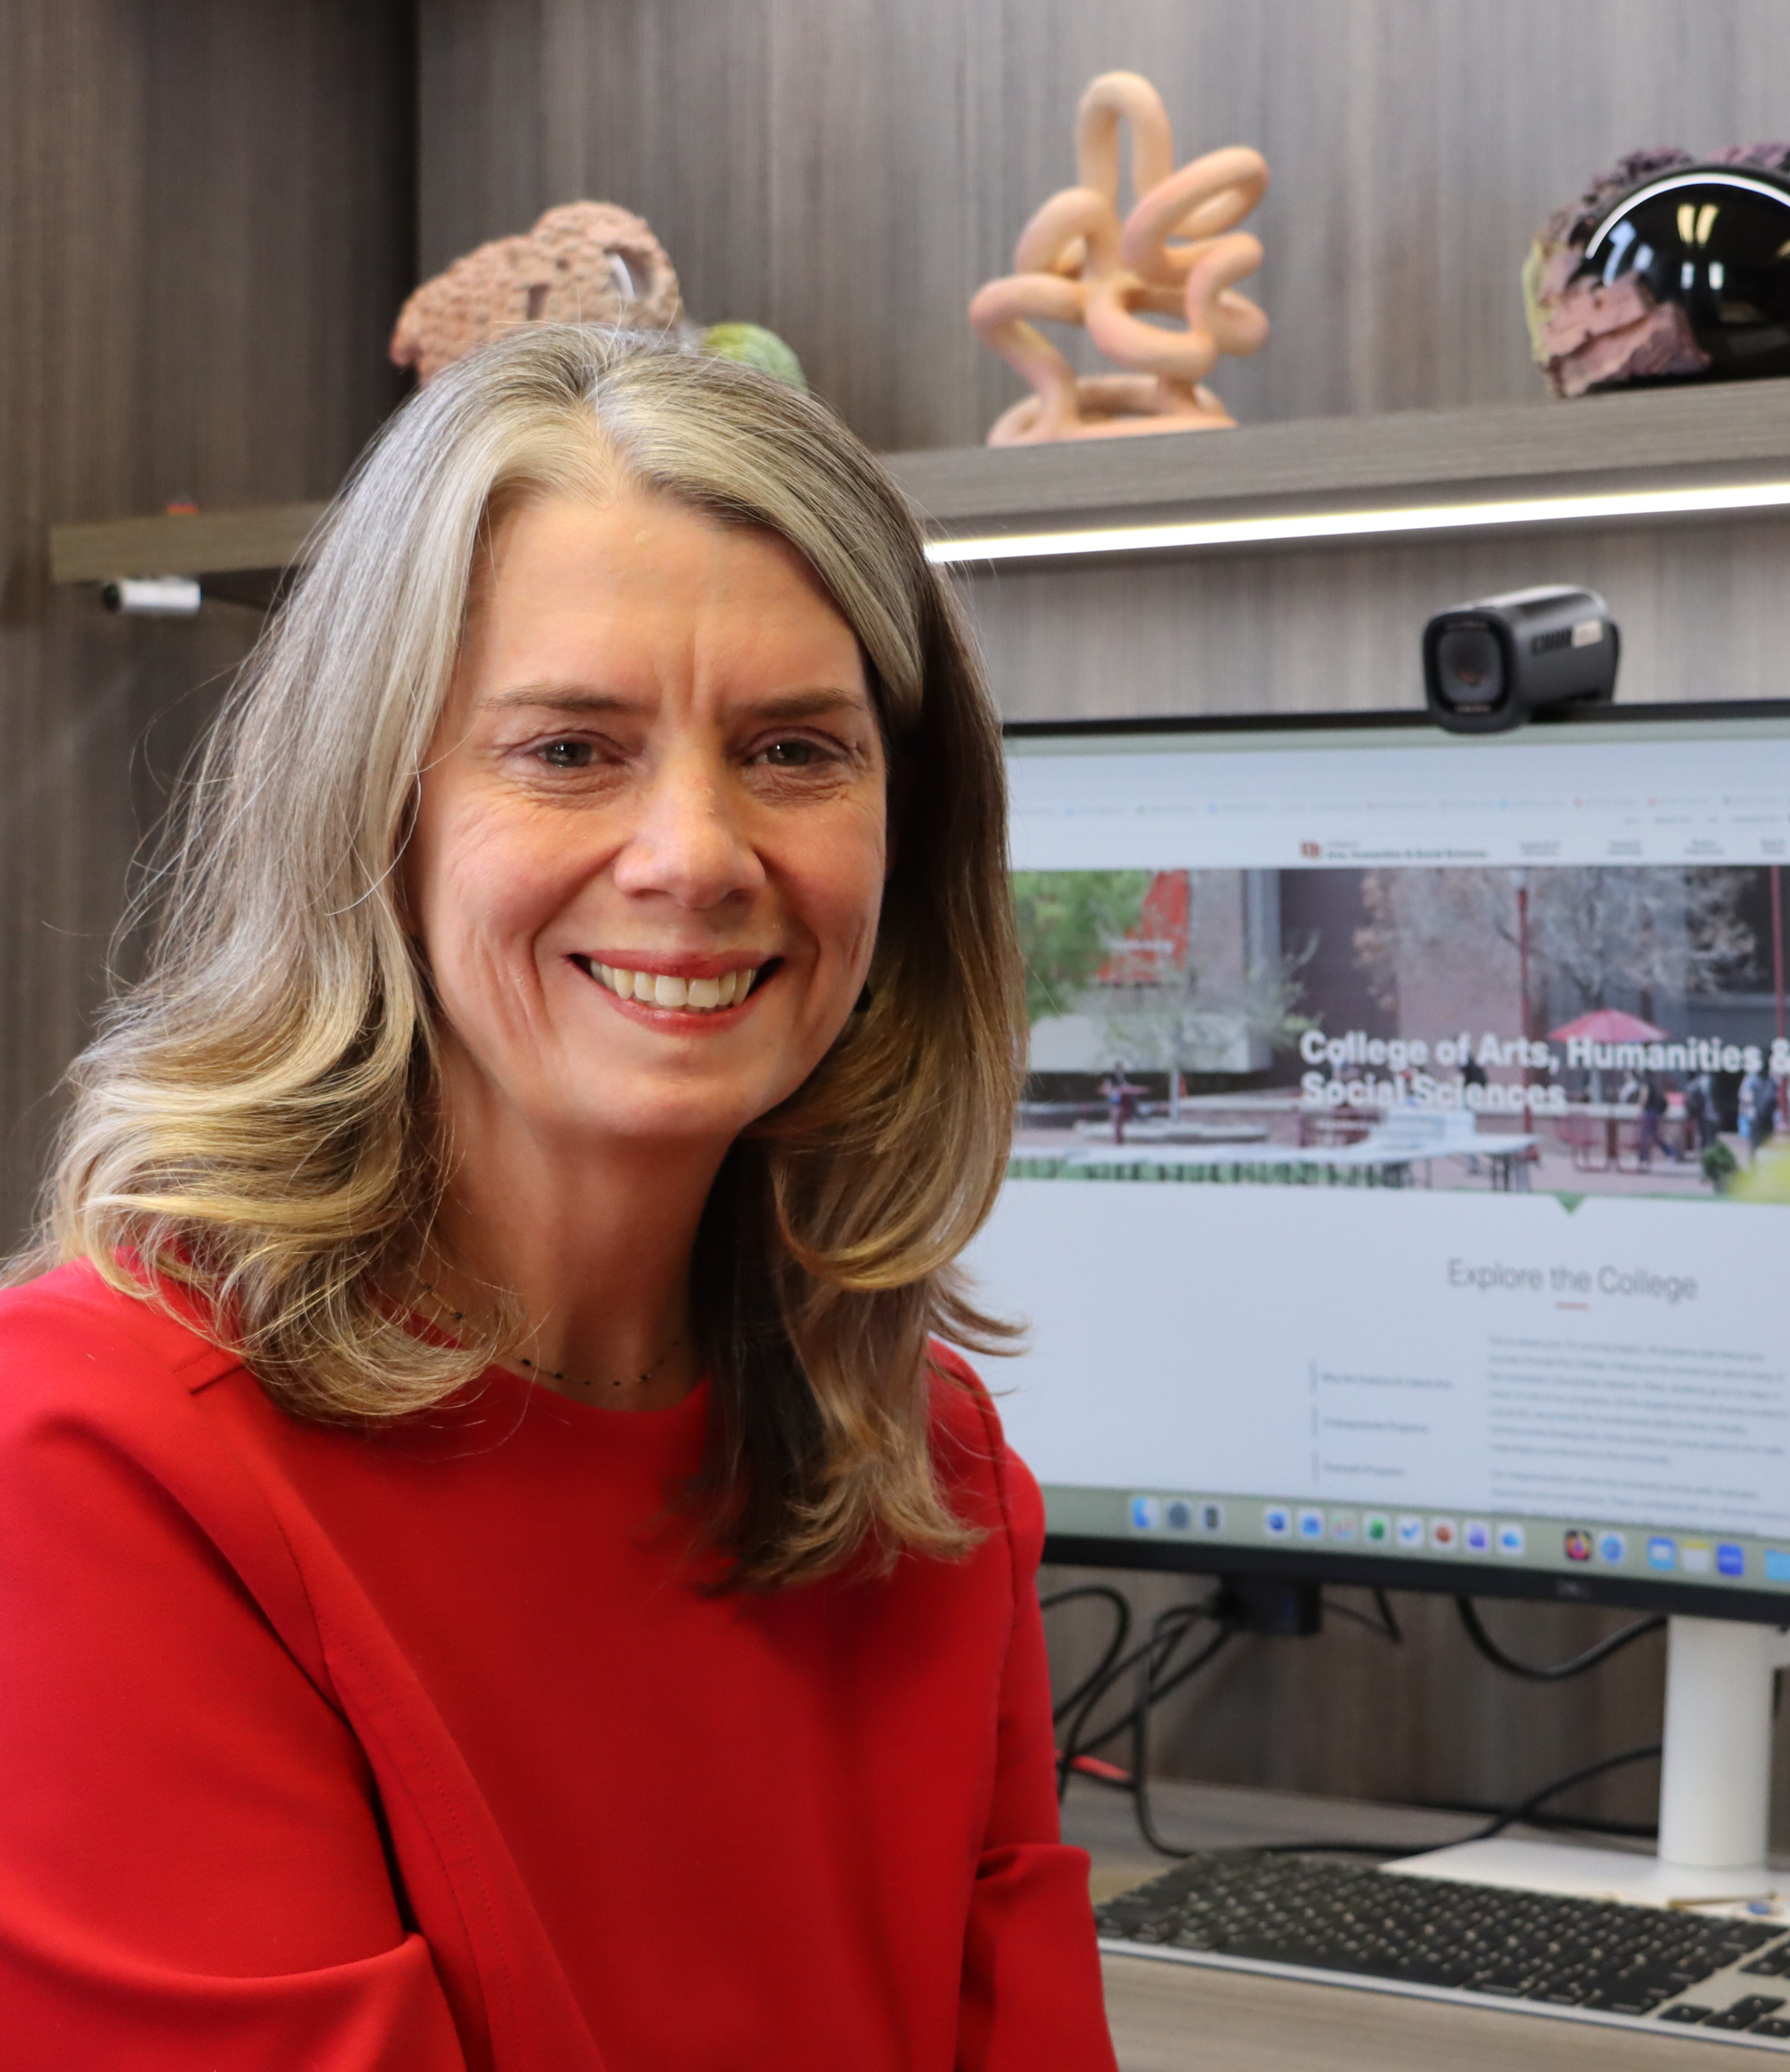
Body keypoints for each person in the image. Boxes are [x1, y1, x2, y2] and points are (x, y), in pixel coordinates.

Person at [0, 330, 1113, 2069]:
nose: (696, 856)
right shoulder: (88, 1457)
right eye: (572, 749)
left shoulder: (924, 1465)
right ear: (378, 816)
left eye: (794, 749)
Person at [1741, 1052, 1779, 1163]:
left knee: (1757, 1146)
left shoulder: (1755, 1081)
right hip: (1765, 1118)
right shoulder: (1770, 1082)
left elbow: (1746, 1098)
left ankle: (1755, 1166)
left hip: (1759, 1118)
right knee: (1764, 1145)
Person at [1101, 1058, 1140, 1143]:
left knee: (1132, 1101)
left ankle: (1134, 1114)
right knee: (1117, 1118)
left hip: (1125, 1101)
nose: (1121, 1070)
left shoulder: (1124, 1078)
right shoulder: (1111, 1078)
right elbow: (1107, 1089)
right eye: (1119, 1068)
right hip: (1115, 1103)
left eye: (1122, 1069)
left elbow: (1129, 1087)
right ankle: (1117, 1139)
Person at [1637, 1074, 1669, 1168]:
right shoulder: (1654, 1084)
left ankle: (1670, 1152)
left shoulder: (1646, 1084)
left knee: (1646, 1136)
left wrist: (1641, 1107)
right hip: (1653, 1113)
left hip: (1649, 1113)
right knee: (1652, 1137)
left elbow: (1644, 1097)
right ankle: (1644, 1156)